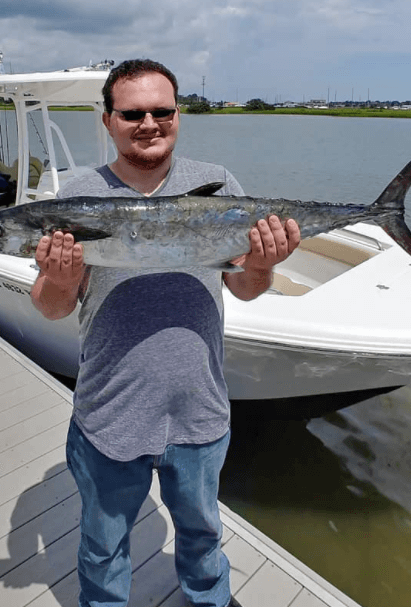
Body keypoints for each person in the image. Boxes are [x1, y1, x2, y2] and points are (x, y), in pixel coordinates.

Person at [31, 59, 300, 607]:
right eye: (132, 113)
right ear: (107, 120)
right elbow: (53, 307)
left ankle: (211, 600)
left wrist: (264, 263)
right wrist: (60, 278)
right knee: (103, 545)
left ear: (178, 115)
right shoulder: (78, 194)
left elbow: (246, 288)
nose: (148, 123)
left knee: (203, 536)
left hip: (198, 406)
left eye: (162, 111)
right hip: (110, 411)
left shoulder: (219, 182)